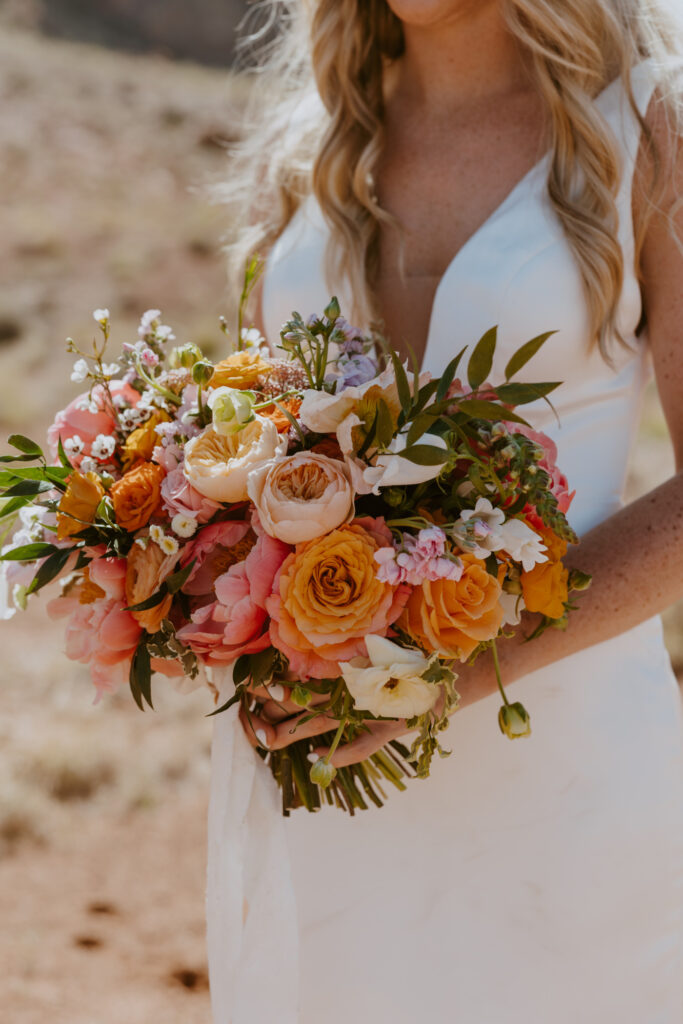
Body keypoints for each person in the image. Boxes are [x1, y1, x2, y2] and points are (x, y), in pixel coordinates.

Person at [207, 2, 683, 1021]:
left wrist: (450, 671)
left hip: (564, 769)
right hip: (321, 776)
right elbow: (248, 447)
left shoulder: (644, 124)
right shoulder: (306, 146)